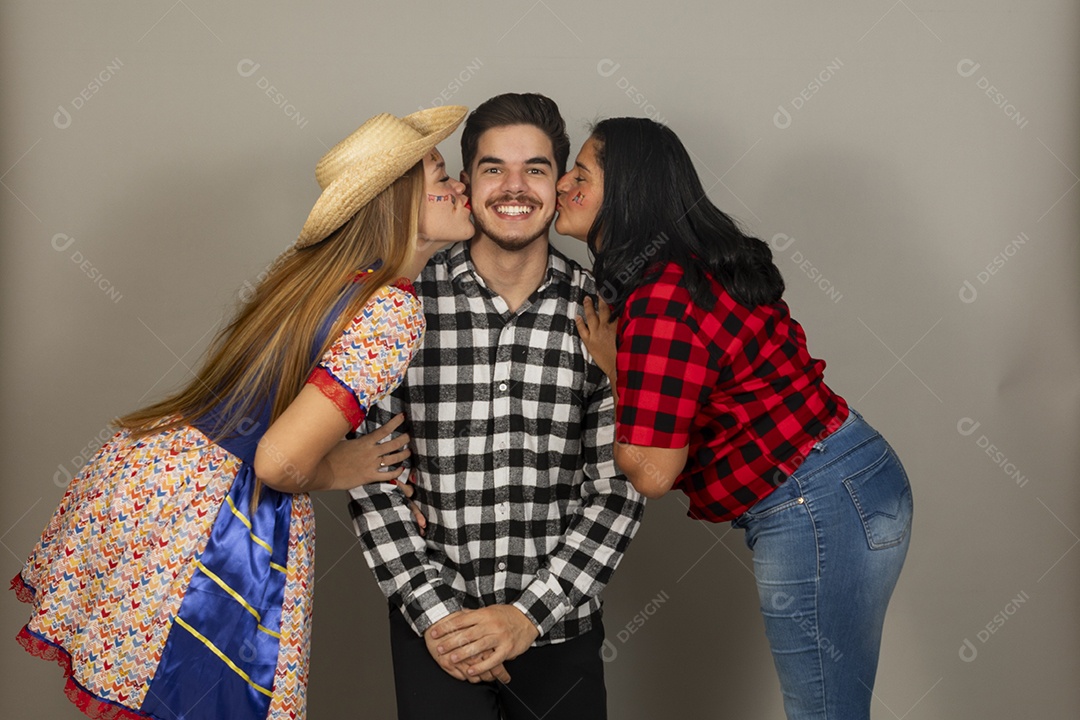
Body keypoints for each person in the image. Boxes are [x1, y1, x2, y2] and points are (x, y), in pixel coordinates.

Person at [10, 106, 474, 720]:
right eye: (441, 177)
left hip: (157, 476)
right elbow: (281, 462)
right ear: (397, 200)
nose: (460, 187)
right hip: (216, 518)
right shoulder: (393, 310)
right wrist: (342, 467)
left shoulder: (318, 275)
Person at [561, 117, 913, 720]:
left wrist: (621, 377)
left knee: (825, 712)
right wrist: (629, 369)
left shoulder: (660, 298)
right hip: (851, 478)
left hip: (817, 503)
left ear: (628, 193)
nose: (564, 183)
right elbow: (704, 393)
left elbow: (651, 472)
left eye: (581, 173)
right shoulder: (686, 268)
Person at [349, 93, 645, 720]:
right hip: (435, 629)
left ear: (560, 183)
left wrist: (525, 616)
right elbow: (370, 476)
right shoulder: (400, 308)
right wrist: (439, 618)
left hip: (560, 625)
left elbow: (618, 489)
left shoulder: (604, 313)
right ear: (465, 183)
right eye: (494, 169)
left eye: (535, 169)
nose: (515, 187)